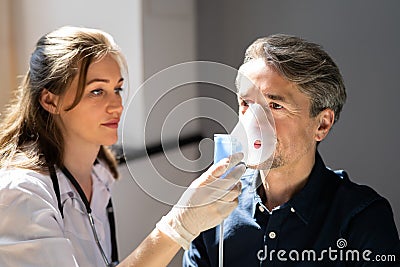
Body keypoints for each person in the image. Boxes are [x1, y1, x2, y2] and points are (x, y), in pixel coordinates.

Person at [0, 26, 246, 267]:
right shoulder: (21, 194)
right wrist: (178, 226)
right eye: (97, 91)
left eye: (117, 89)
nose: (116, 106)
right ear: (49, 100)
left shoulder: (98, 177)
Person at [184, 34, 400, 266]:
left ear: (322, 124)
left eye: (275, 106)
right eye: (246, 104)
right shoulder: (214, 207)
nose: (253, 123)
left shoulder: (361, 218)